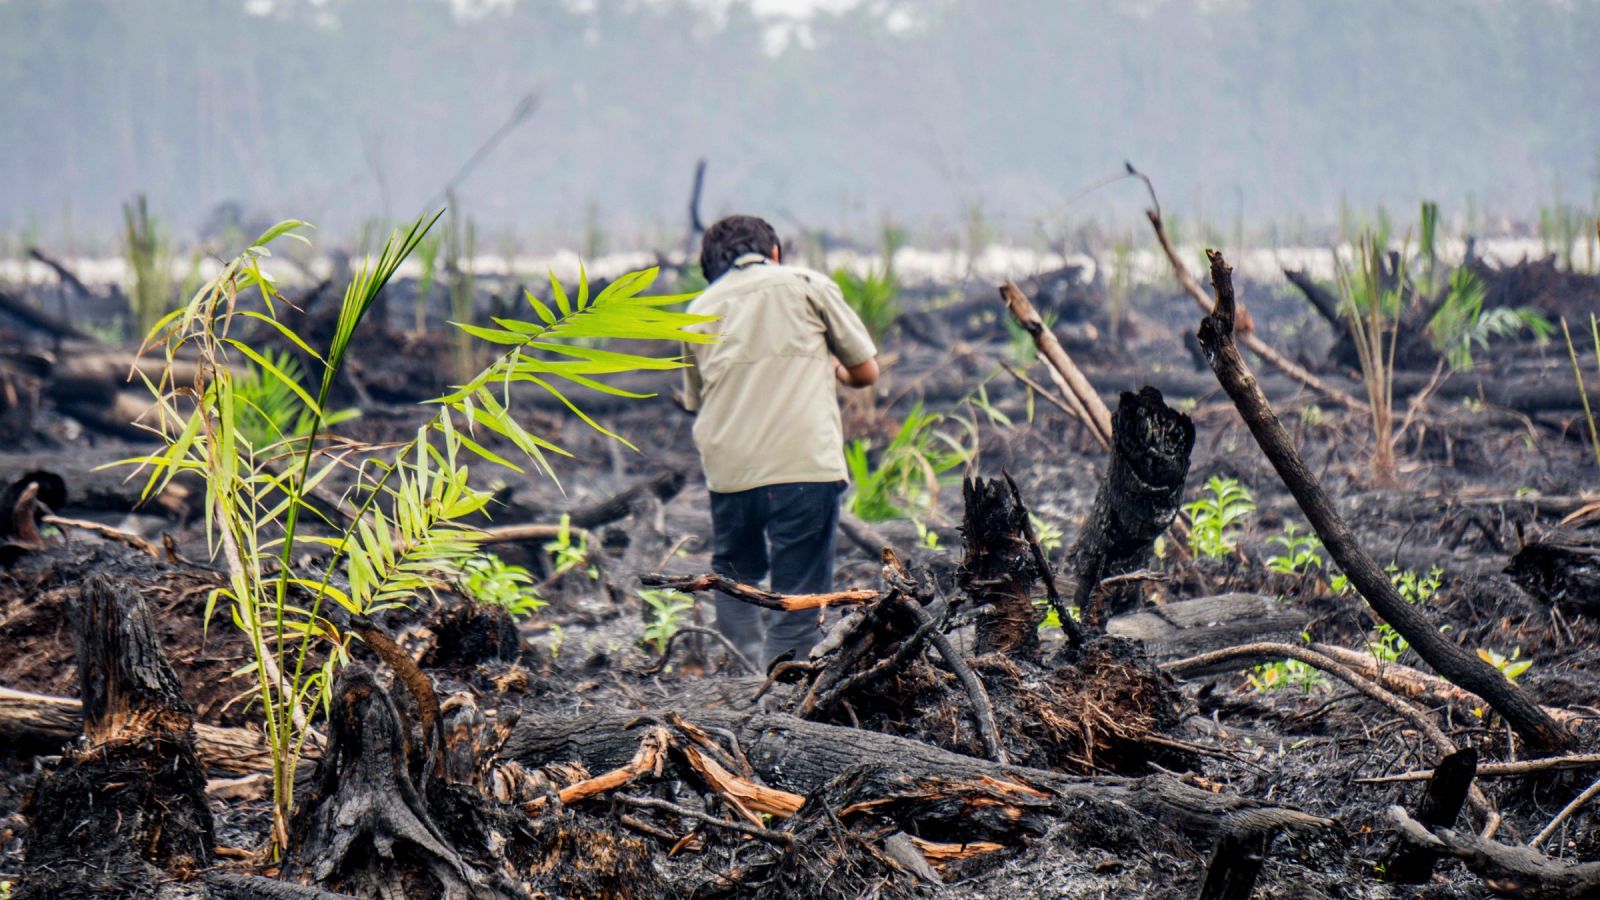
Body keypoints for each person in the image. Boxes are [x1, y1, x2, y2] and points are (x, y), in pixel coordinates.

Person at [682, 215, 880, 668]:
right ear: (774, 253)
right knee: (800, 590)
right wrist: (832, 368)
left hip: (731, 471)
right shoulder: (807, 284)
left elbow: (695, 400)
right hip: (804, 465)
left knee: (734, 576)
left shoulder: (698, 309)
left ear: (710, 269)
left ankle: (743, 673)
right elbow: (866, 372)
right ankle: (780, 689)